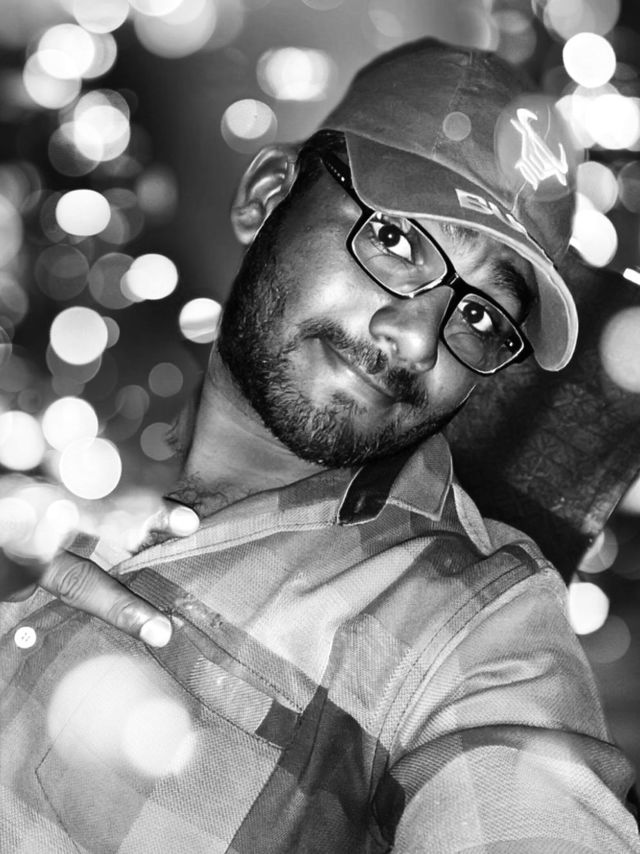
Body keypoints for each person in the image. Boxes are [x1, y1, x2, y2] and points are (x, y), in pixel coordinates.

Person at [1, 37, 639, 853]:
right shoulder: (46, 356)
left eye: (481, 315)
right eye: (397, 241)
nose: (418, 341)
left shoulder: (472, 625)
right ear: (267, 197)